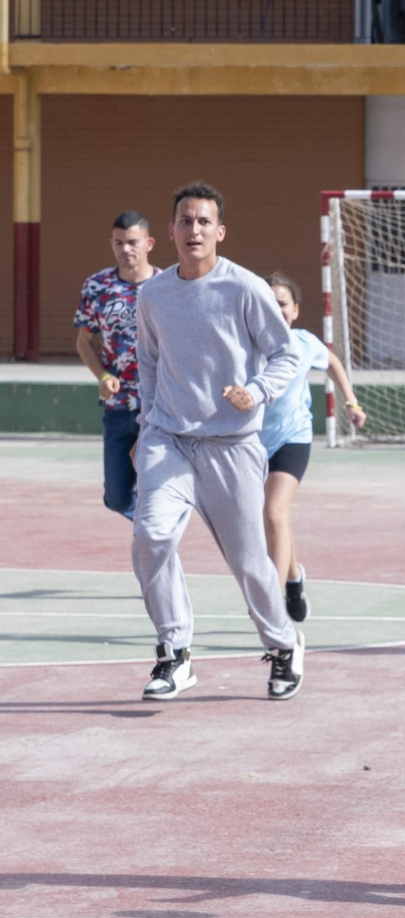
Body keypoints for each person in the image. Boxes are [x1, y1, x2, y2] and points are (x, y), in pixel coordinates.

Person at [131, 182, 308, 701]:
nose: (194, 230)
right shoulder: (153, 293)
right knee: (152, 537)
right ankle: (175, 654)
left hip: (232, 445)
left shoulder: (246, 288)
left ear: (220, 232)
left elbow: (288, 355)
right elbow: (148, 362)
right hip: (169, 437)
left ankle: (282, 647)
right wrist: (146, 426)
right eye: (185, 221)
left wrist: (255, 392)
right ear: (170, 232)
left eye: (204, 222)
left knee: (251, 561)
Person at [259, 271, 368, 622]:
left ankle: (272, 604)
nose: (276, 309)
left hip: (294, 438)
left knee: (274, 512)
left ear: (295, 311)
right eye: (269, 303)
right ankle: (294, 578)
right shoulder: (246, 344)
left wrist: (350, 401)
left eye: (282, 303)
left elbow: (333, 362)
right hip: (252, 443)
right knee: (277, 518)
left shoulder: (304, 343)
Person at [74, 210, 160, 520]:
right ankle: (151, 527)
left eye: (133, 242)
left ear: (148, 243)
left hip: (158, 407)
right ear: (112, 244)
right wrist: (103, 376)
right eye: (119, 242)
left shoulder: (167, 286)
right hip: (118, 406)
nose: (126, 249)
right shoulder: (97, 286)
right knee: (116, 496)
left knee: (156, 490)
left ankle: (157, 531)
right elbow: (84, 342)